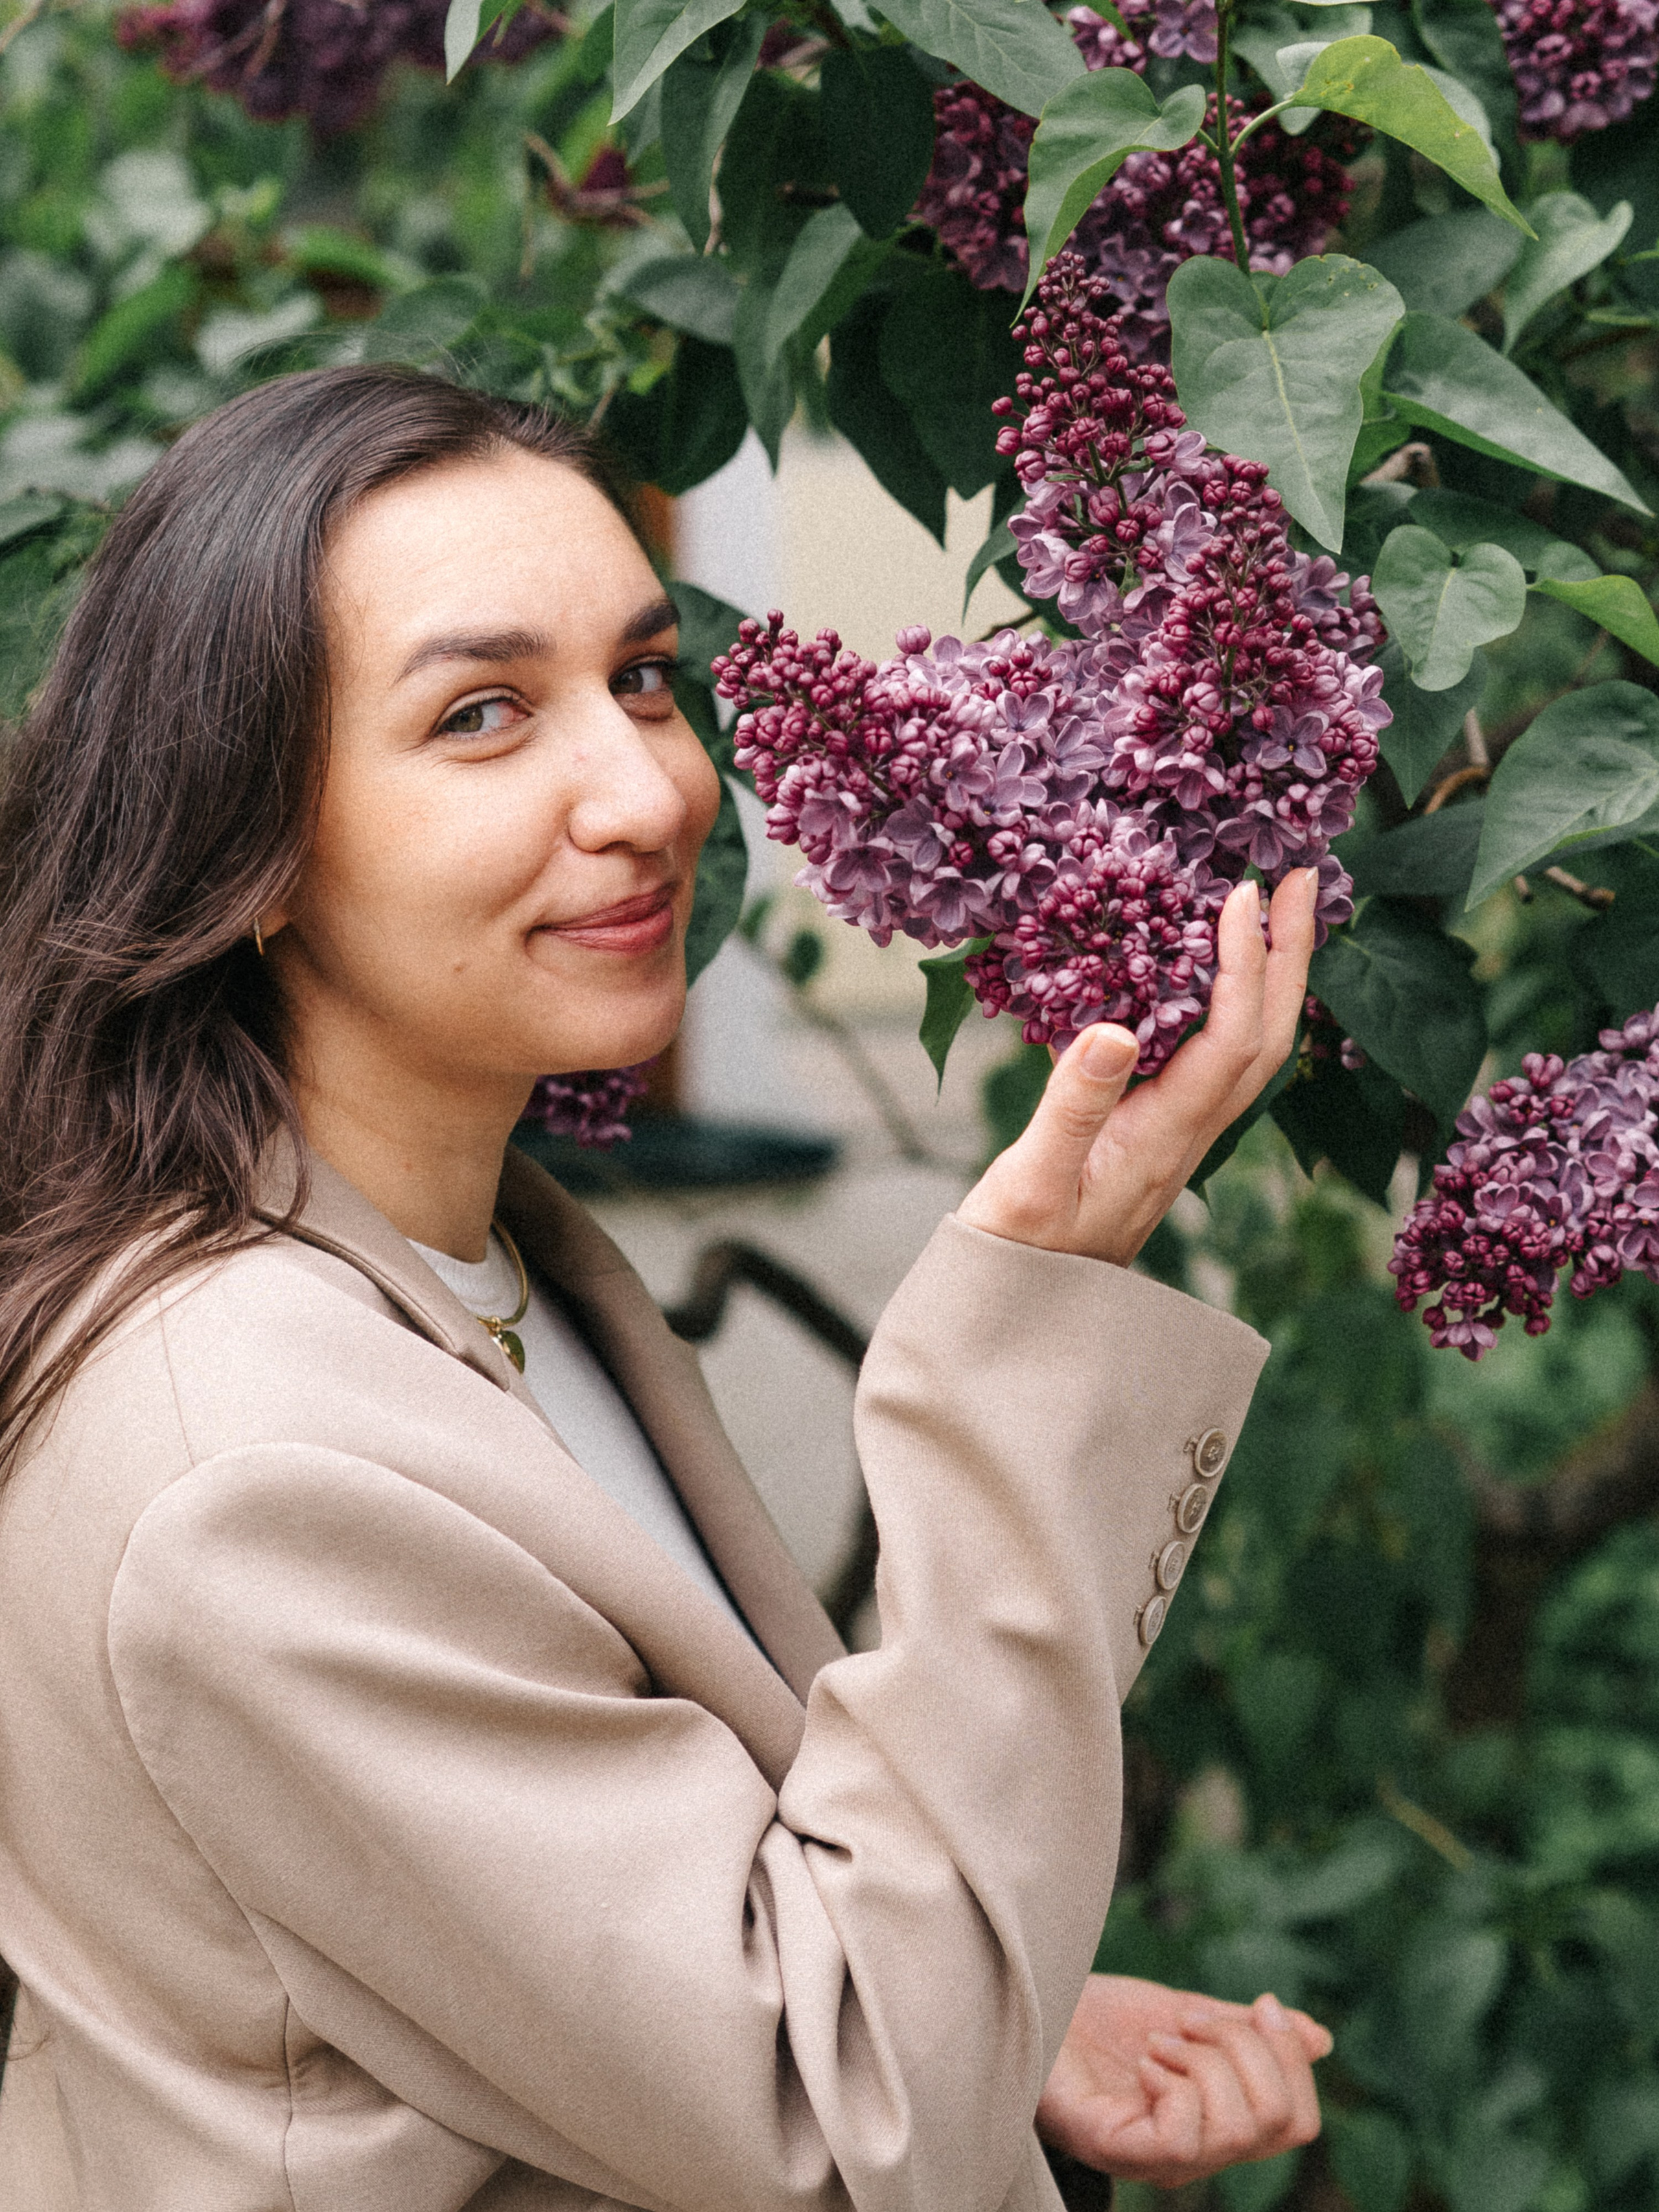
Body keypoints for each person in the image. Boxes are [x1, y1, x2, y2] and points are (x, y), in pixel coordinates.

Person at [0, 366, 1330, 2212]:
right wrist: (1029, 1331)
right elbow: (847, 2110)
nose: (647, 791)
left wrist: (1003, 2009)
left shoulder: (490, 1264)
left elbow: (624, 1959)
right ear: (252, 851)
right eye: (481, 715)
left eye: (640, 678)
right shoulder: (250, 1473)